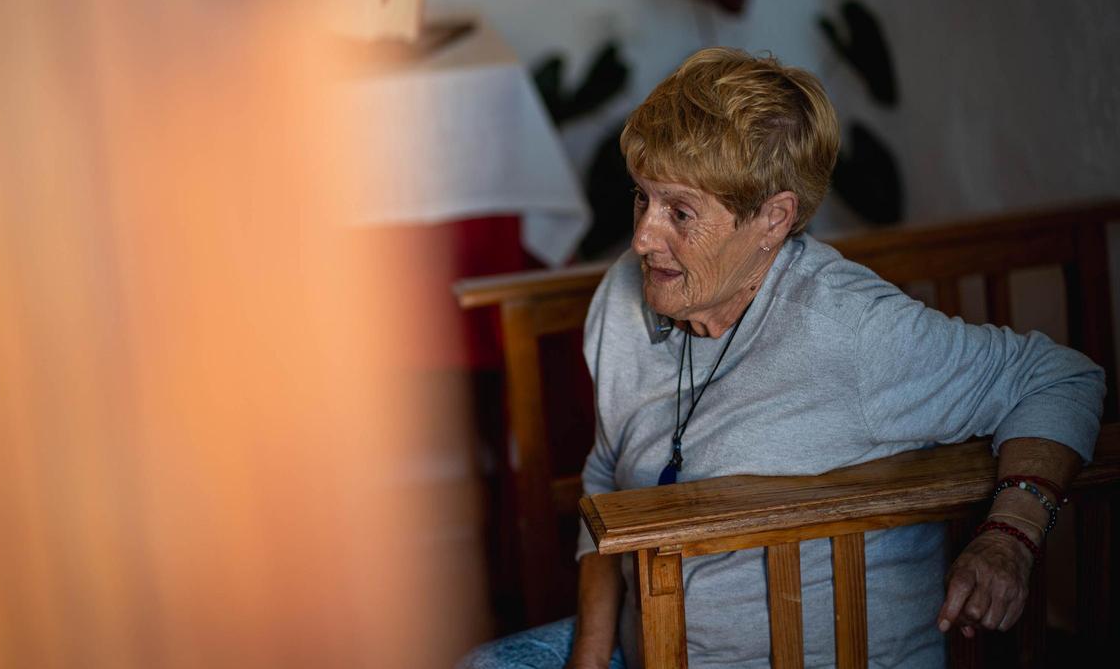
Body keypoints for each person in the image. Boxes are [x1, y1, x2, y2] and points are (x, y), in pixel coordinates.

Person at [460, 48, 1104, 669]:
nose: (642, 237)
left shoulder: (852, 329)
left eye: (679, 211)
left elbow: (1058, 377)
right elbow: (607, 472)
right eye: (641, 197)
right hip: (650, 644)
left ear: (773, 219)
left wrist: (1011, 536)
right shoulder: (623, 299)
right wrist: (591, 659)